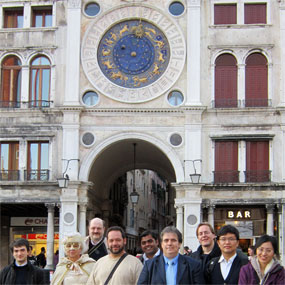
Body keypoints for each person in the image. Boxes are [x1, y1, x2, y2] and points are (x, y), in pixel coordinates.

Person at [137, 226, 205, 284]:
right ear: (161, 244)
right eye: (166, 240)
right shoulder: (149, 265)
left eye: (173, 240)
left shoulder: (193, 265)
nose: (169, 243)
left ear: (179, 244)